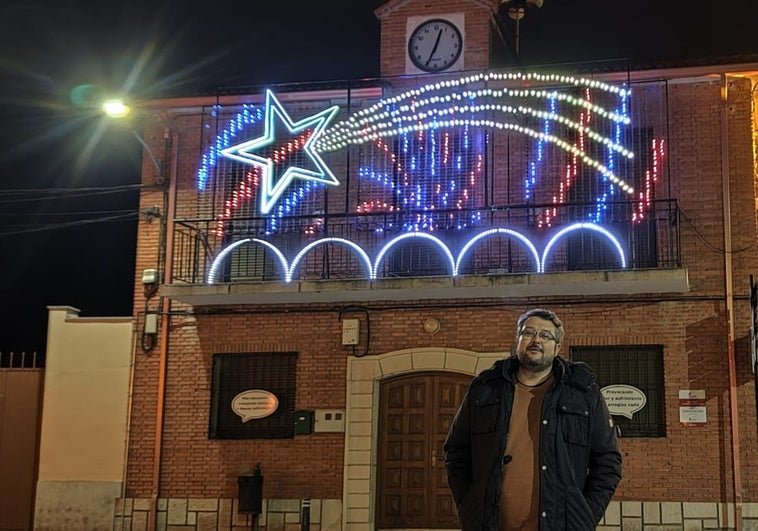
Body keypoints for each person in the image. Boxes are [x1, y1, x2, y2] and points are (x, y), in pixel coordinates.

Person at [443, 308, 622, 531]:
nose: (536, 340)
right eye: (528, 333)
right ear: (517, 341)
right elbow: (457, 452)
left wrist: (584, 517)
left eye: (545, 335)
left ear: (557, 348)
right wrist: (468, 505)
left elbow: (608, 462)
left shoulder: (583, 393)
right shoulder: (486, 389)